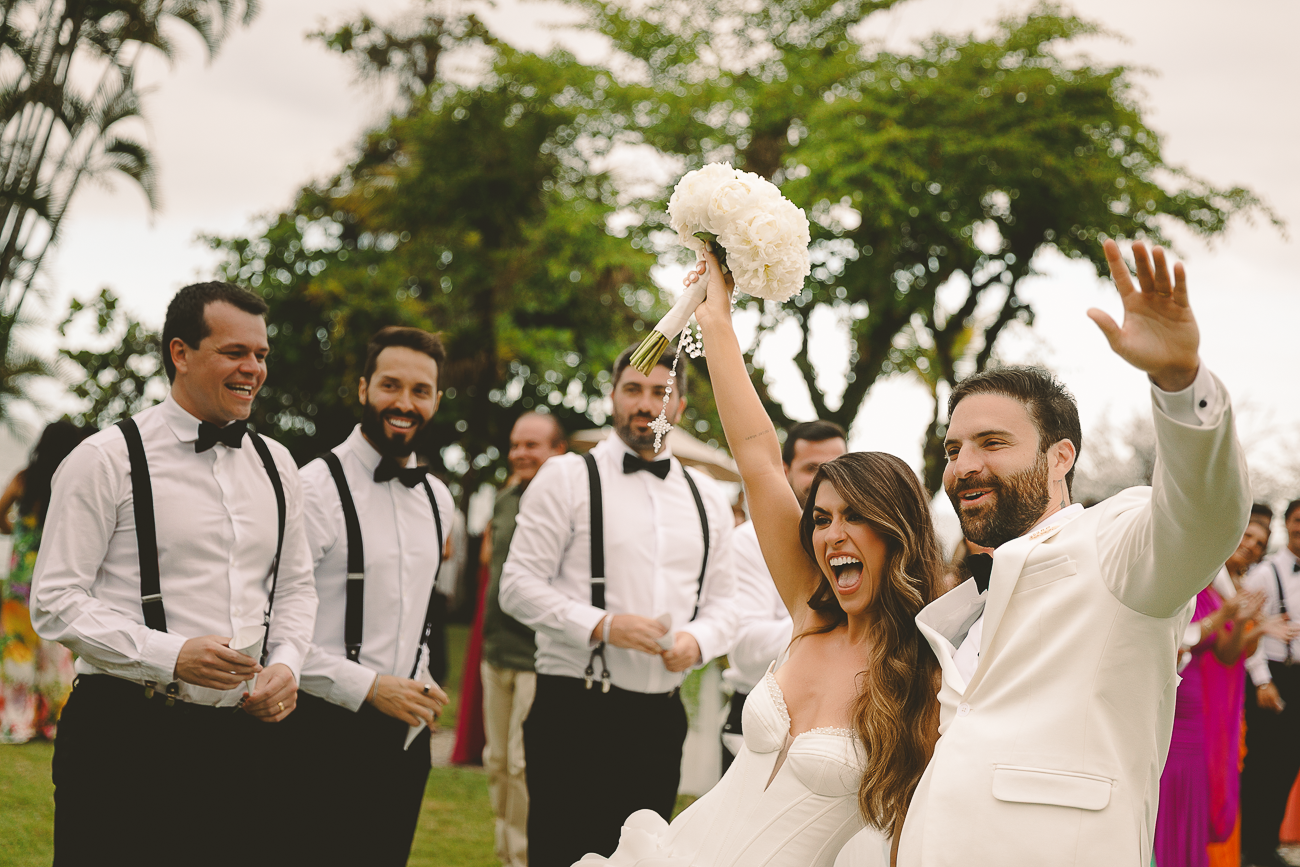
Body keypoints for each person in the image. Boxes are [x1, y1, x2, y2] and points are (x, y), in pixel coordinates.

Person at [575, 249, 944, 867]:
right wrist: (717, 319)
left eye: (855, 517)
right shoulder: (811, 615)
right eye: (821, 519)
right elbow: (756, 455)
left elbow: (920, 830)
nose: (831, 536)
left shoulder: (925, 676)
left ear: (897, 531)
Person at [893, 240, 1250, 867]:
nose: (964, 466)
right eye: (952, 450)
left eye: (992, 443)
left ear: (1060, 458)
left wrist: (1178, 383)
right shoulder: (966, 601)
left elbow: (1204, 516)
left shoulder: (1114, 546)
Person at [30, 281, 318, 867]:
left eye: (261, 354)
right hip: (126, 735)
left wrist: (287, 664)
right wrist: (170, 655)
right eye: (235, 352)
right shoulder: (104, 459)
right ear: (180, 353)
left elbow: (294, 587)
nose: (253, 368)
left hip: (245, 741)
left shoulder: (279, 464)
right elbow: (55, 600)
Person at [499, 345, 738, 867]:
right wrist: (603, 625)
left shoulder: (709, 498)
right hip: (573, 711)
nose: (646, 403)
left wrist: (696, 643)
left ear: (680, 405)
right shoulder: (565, 477)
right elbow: (516, 586)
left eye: (661, 392)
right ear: (612, 396)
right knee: (561, 855)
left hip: (659, 719)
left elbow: (727, 606)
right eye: (633, 389)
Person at [281, 325, 455, 866]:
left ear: (436, 399)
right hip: (319, 738)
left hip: (404, 746)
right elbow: (273, 632)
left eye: (420, 391)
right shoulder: (313, 488)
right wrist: (370, 686)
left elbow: (414, 615)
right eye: (390, 385)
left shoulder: (438, 498)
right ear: (363, 388)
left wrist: (420, 680)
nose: (404, 403)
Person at [1155, 518, 1281, 867]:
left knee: (1196, 782)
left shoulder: (1220, 588)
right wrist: (1227, 613)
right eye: (1248, 537)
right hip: (1177, 697)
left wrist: (1243, 620)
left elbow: (1226, 653)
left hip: (1201, 703)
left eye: (1260, 542)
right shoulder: (1189, 580)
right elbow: (1176, 640)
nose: (1252, 546)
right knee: (1170, 780)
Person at [722, 420, 846, 772]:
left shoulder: (856, 539)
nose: (827, 478)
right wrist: (836, 624)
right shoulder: (748, 543)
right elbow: (745, 650)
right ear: (785, 471)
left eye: (836, 466)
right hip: (756, 727)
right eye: (812, 469)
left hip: (835, 731)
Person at [481, 410, 568, 867]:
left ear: (558, 452)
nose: (520, 453)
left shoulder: (562, 502)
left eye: (532, 445)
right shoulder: (505, 497)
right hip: (495, 652)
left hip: (537, 656)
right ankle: (505, 856)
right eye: (516, 444)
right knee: (496, 763)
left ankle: (525, 858)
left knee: (521, 766)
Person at [0, 421, 94, 743]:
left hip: (19, 587)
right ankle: (52, 723)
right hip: (54, 585)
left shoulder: (24, 479)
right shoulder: (67, 482)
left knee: (18, 652)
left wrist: (17, 532)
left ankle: (17, 722)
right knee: (55, 655)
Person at [1240, 499, 1300, 867]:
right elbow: (1248, 629)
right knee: (1263, 765)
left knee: (1290, 764)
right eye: (1297, 521)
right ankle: (1251, 847)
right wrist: (1263, 681)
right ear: (1287, 525)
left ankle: (1268, 843)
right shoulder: (1265, 572)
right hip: (1272, 677)